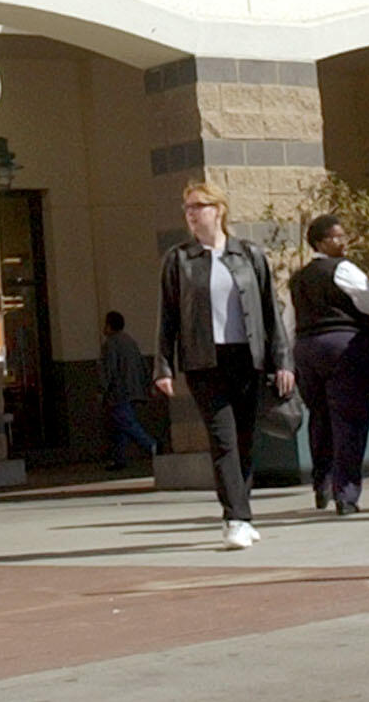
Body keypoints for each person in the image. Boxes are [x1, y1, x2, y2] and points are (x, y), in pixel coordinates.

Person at [155, 181, 292, 548]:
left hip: (247, 359)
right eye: (187, 207)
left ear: (218, 210)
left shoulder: (248, 254)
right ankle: (236, 517)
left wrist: (283, 361)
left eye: (198, 206)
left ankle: (242, 513)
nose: (191, 213)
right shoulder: (179, 260)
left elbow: (270, 313)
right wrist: (164, 366)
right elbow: (167, 317)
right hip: (203, 361)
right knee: (223, 439)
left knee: (245, 439)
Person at [290, 214, 369, 515]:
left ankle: (322, 483)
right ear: (320, 241)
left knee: (319, 419)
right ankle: (345, 493)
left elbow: (289, 320)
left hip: (306, 349)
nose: (343, 240)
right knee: (350, 420)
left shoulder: (298, 278)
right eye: (336, 236)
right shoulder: (342, 269)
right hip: (344, 347)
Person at [97, 310, 158, 474]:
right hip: (133, 389)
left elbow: (108, 370)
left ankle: (153, 447)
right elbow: (143, 365)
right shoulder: (130, 341)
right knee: (120, 427)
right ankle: (119, 458)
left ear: (109, 326)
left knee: (126, 423)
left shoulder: (110, 344)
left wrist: (102, 391)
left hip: (119, 392)